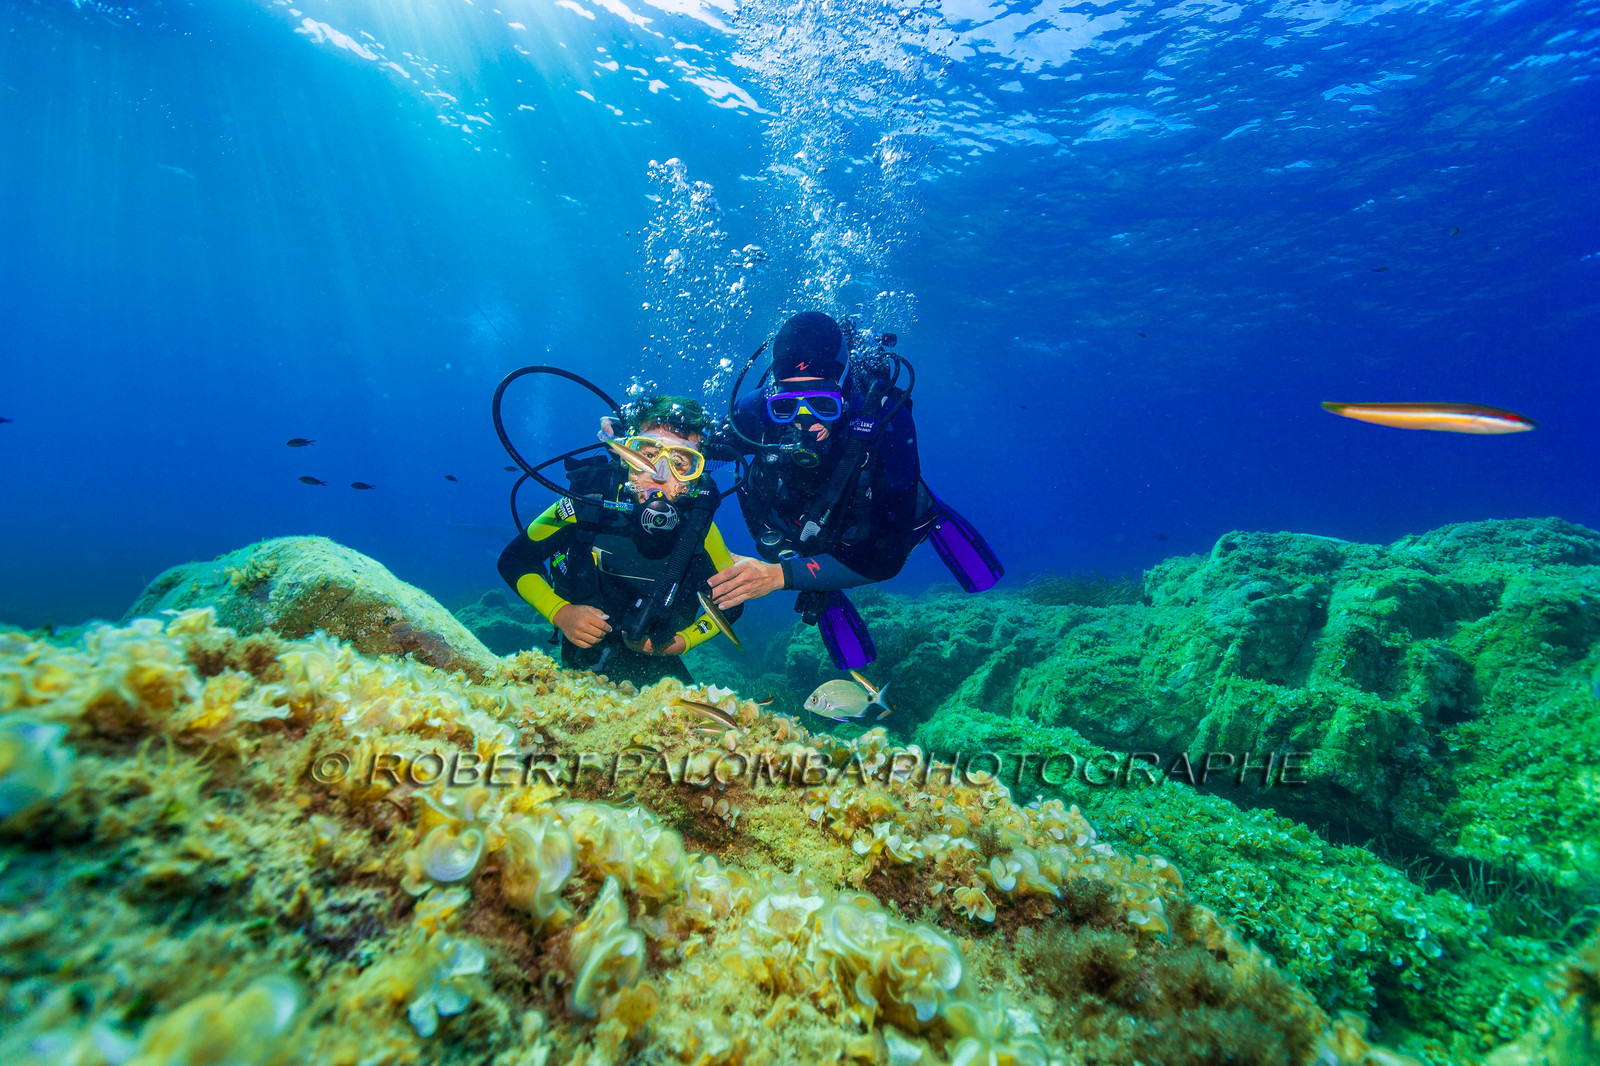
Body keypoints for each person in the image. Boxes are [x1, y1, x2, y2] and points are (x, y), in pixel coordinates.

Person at [497, 395, 742, 688]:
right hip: (584, 655)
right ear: (627, 455)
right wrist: (560, 613)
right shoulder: (587, 503)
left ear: (694, 477)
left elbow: (731, 602)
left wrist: (683, 642)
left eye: (679, 463)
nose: (660, 475)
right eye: (647, 455)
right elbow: (515, 560)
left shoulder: (699, 528)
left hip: (658, 659)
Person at [707, 311, 929, 611]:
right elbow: (701, 454)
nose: (805, 422)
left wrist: (779, 577)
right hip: (798, 528)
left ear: (844, 393)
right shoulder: (756, 410)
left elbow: (887, 559)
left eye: (823, 404)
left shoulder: (887, 424)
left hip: (858, 541)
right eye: (786, 406)